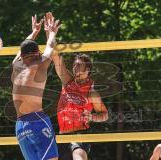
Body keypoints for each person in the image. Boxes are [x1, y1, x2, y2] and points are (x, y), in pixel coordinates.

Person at [45, 12, 109, 160]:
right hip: (62, 134)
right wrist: (50, 34)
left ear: (87, 70)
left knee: (79, 158)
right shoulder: (68, 80)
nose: (74, 68)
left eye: (78, 66)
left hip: (80, 134)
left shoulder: (91, 92)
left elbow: (105, 115)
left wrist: (92, 116)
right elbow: (55, 56)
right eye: (74, 65)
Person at [12, 14, 61, 160]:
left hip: (20, 126)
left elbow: (20, 52)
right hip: (37, 120)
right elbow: (51, 46)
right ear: (37, 54)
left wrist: (34, 32)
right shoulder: (38, 64)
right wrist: (51, 32)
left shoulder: (16, 67)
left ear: (22, 56)